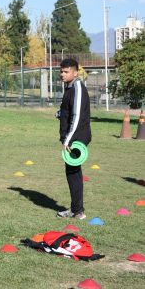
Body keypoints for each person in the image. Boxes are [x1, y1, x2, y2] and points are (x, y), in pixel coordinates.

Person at [56, 58, 91, 220]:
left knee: (73, 172)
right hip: (72, 137)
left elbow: (77, 116)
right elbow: (69, 111)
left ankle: (78, 211)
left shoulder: (77, 87)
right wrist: (60, 114)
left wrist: (68, 139)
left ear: (75, 73)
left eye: (66, 71)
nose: (62, 74)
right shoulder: (69, 87)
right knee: (72, 172)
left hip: (76, 138)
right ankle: (76, 209)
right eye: (61, 71)